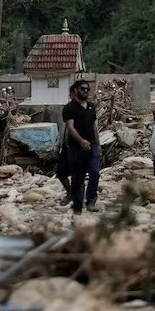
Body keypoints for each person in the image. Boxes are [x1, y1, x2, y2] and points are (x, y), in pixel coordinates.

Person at [63, 79, 100, 213]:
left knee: (95, 172)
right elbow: (70, 127)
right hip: (76, 148)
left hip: (92, 146)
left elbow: (94, 126)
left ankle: (91, 201)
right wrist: (81, 141)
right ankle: (77, 206)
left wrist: (98, 144)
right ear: (76, 90)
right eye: (83, 88)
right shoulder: (70, 108)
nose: (85, 91)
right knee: (77, 177)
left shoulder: (91, 107)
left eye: (87, 89)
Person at [55, 84, 77, 205]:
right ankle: (70, 193)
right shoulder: (67, 109)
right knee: (61, 172)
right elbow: (62, 128)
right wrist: (57, 145)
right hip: (66, 146)